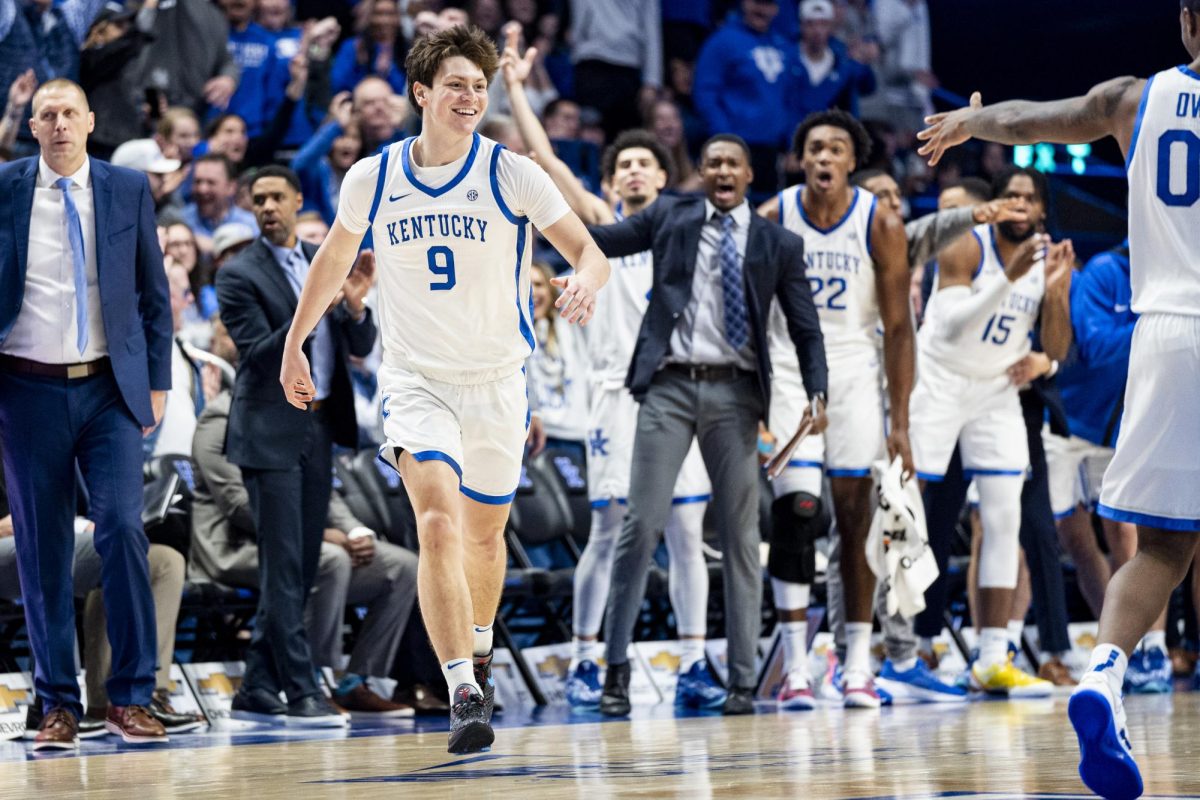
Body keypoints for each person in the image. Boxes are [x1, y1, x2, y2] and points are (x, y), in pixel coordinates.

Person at [277, 26, 609, 754]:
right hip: (416, 379)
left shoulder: (512, 171)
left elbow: (588, 250)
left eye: (479, 86)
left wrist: (583, 278)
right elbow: (333, 259)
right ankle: (462, 688)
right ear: (422, 92)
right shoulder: (374, 175)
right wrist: (297, 341)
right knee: (436, 523)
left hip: (496, 383)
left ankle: (479, 653)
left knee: (484, 538)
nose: (470, 97)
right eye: (456, 84)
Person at [918, 5, 1200, 793]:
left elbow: (1027, 119)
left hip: (1165, 332)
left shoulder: (1132, 99)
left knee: (1165, 551)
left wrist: (971, 122)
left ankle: (1103, 674)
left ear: (1186, 23)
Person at [503, 37, 722, 710]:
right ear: (610, 182)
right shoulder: (597, 227)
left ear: (662, 178)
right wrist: (516, 85)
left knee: (687, 532)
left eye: (643, 163)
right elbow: (543, 159)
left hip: (679, 394)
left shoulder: (690, 231)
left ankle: (693, 663)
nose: (632, 171)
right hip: (616, 400)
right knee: (610, 531)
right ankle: (585, 659)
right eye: (622, 163)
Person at [586, 133, 826, 718]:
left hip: (736, 394)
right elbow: (605, 241)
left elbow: (805, 327)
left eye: (732, 164)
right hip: (667, 386)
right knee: (640, 525)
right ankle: (613, 671)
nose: (722, 170)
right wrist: (537, 219)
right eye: (712, 161)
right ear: (702, 171)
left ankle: (742, 681)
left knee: (742, 537)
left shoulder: (779, 243)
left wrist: (818, 390)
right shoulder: (671, 214)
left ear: (748, 175)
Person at [0, 79, 172, 749]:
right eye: (48, 115)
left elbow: (156, 295)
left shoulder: (126, 189)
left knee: (124, 528)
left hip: (109, 390)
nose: (60, 123)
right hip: (25, 389)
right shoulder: (10, 187)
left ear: (91, 120)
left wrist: (156, 384)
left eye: (70, 112)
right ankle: (57, 705)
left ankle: (130, 696)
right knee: (41, 550)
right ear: (34, 128)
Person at [756, 110, 916, 708]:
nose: (824, 157)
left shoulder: (880, 222)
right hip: (789, 373)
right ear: (801, 159)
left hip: (853, 373)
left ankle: (856, 664)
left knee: (856, 523)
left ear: (853, 161)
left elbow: (900, 329)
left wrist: (899, 422)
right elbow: (748, 318)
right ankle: (795, 667)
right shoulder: (773, 218)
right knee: (797, 514)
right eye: (815, 148)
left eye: (836, 149)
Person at [215, 165, 378, 728]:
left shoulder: (324, 258)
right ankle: (304, 690)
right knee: (284, 565)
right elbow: (257, 350)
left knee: (303, 564)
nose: (267, 207)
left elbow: (362, 344)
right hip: (269, 432)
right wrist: (317, 305)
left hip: (320, 427)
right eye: (257, 199)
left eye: (277, 197)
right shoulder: (238, 274)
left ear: (298, 200)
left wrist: (353, 304)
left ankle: (257, 688)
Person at [906, 166, 1071, 699]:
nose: (1020, 204)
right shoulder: (965, 244)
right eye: (1011, 196)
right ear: (997, 205)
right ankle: (897, 650)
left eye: (1030, 198)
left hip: (997, 388)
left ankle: (993, 657)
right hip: (941, 380)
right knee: (909, 506)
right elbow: (950, 325)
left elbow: (1058, 349)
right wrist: (1007, 276)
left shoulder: (1046, 261)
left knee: (1005, 516)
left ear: (1041, 211)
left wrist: (1057, 295)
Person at [189, 383, 418, 717]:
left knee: (403, 566)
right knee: (330, 559)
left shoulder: (296, 411)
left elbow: (321, 490)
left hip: (302, 542)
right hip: (237, 547)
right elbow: (238, 504)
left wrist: (354, 531)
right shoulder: (219, 418)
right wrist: (321, 535)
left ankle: (355, 681)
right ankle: (309, 678)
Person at [1047, 241, 1171, 694]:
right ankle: (1116, 644)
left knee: (1129, 533)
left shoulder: (1178, 278)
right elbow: (1096, 346)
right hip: (1071, 420)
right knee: (1073, 537)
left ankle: (1150, 649)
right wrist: (1158, 325)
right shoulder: (1104, 271)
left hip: (1123, 426)